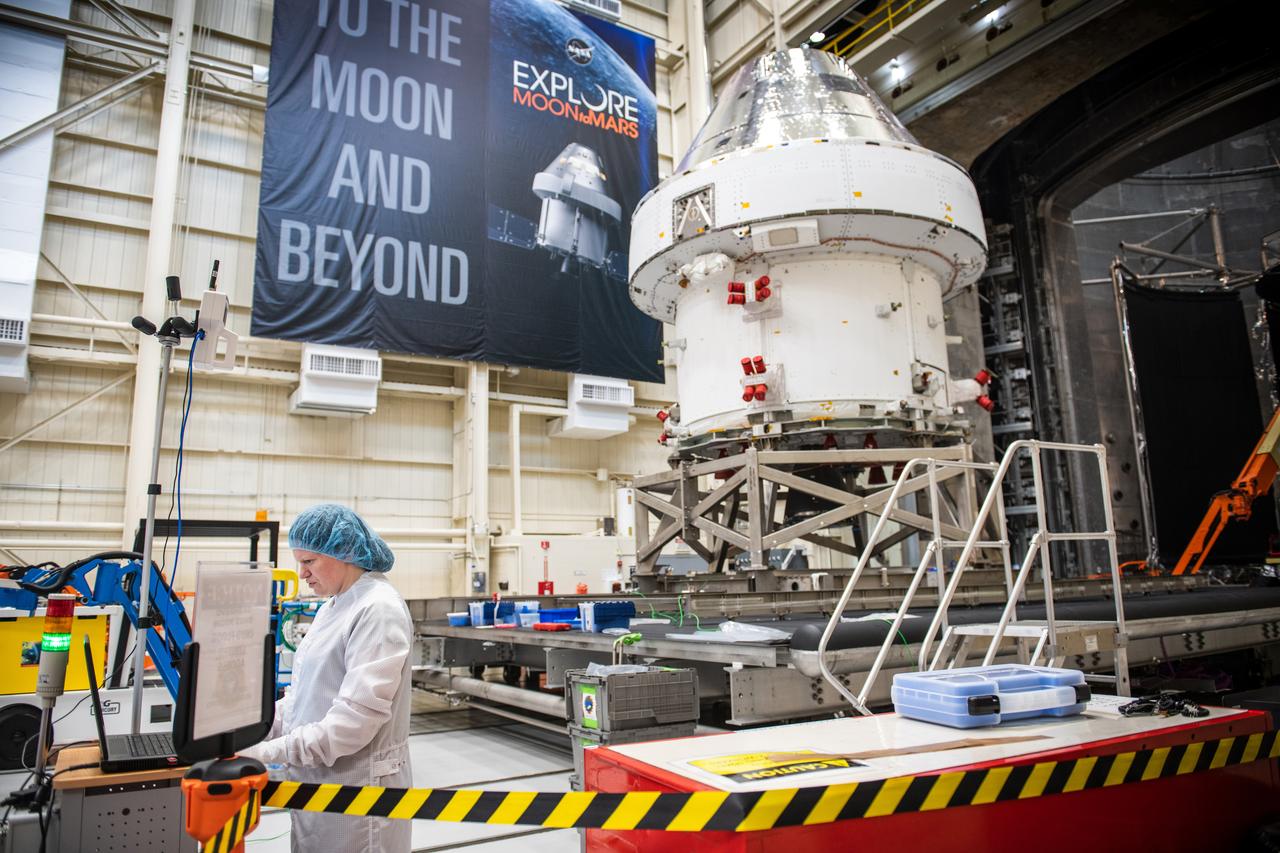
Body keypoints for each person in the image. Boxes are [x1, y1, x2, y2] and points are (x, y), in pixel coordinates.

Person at [243, 504, 413, 853]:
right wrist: (249, 729)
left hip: (360, 790)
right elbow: (301, 698)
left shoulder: (377, 609)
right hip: (319, 782)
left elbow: (353, 722)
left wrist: (266, 752)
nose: (301, 573)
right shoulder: (333, 606)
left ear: (344, 552)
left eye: (309, 562)